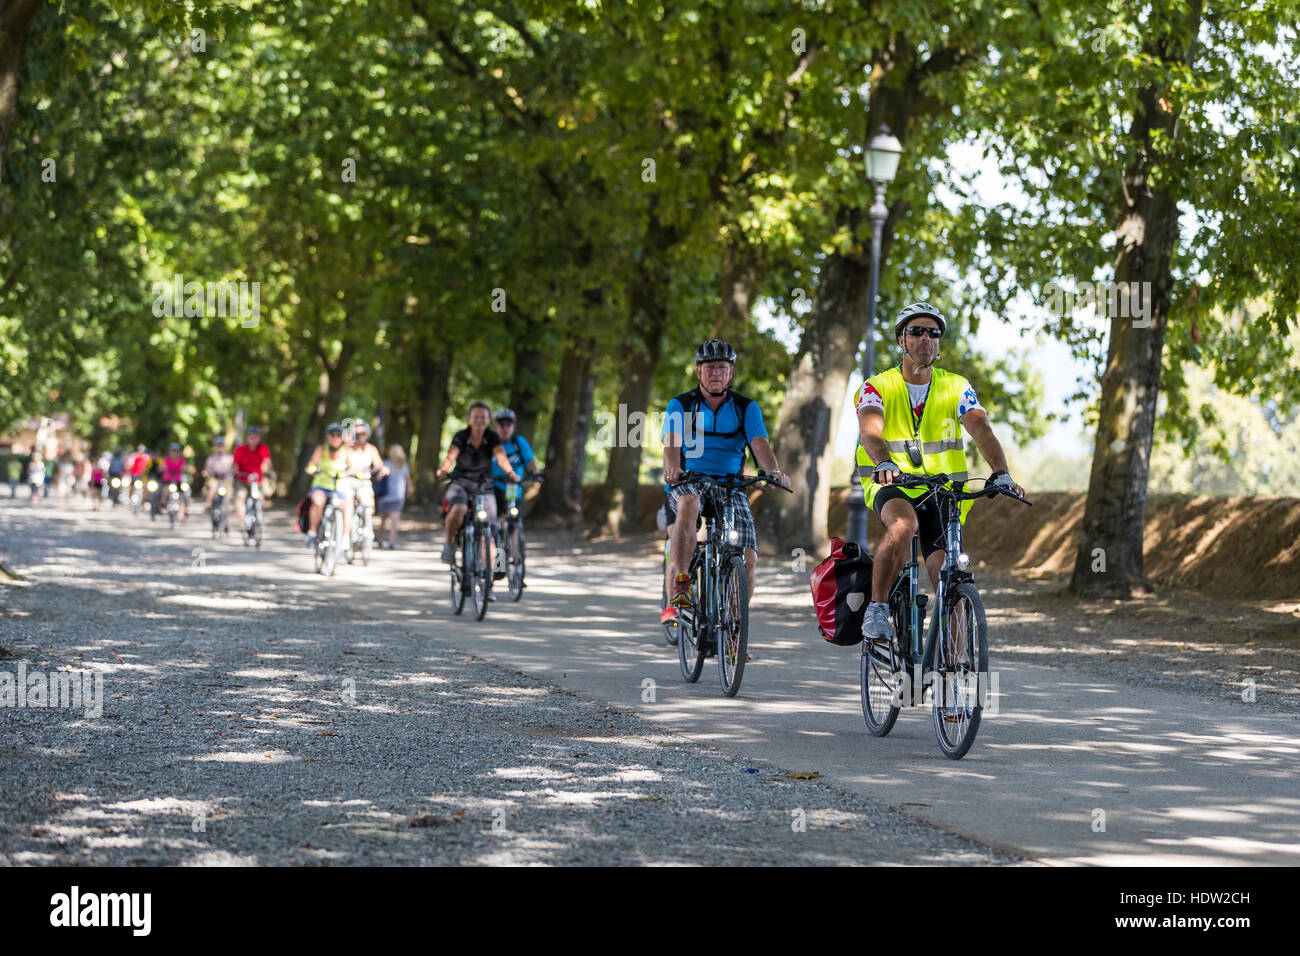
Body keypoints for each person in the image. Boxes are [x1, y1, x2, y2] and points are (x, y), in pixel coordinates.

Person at [855, 302, 1026, 643]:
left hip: (943, 490)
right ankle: (877, 606)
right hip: (895, 484)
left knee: (950, 571)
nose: (925, 339)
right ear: (901, 341)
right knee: (903, 526)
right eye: (916, 332)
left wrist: (1001, 472)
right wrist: (884, 463)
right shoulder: (877, 386)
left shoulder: (957, 387)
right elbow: (870, 429)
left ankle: (954, 662)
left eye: (933, 333)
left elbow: (981, 429)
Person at [660, 339, 791, 625]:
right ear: (698, 372)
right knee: (689, 502)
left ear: (730, 372)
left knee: (748, 557)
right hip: (689, 479)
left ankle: (734, 625)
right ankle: (682, 584)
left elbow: (760, 444)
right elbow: (671, 443)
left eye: (722, 367)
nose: (716, 373)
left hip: (730, 485)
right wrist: (672, 468)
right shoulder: (680, 405)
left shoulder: (746, 408)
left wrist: (773, 471)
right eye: (709, 367)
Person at [435, 402, 523, 573]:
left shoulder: (492, 437)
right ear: (469, 418)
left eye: (483, 417)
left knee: (490, 531)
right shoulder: (461, 436)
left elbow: (501, 457)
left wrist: (511, 472)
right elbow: (451, 455)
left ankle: (490, 577)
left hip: (484, 486)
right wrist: (444, 470)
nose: (479, 421)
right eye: (475, 417)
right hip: (460, 483)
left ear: (489, 420)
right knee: (459, 508)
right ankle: (448, 544)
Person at [341, 419, 388, 546]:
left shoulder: (371, 449)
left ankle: (367, 526)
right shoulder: (348, 448)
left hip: (364, 481)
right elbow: (339, 461)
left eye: (362, 434)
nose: (360, 437)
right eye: (357, 434)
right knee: (348, 503)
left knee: (369, 503)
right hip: (349, 481)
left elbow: (379, 464)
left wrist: (383, 470)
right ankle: (345, 536)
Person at [490, 408, 542, 520]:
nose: (505, 428)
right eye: (502, 425)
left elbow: (530, 461)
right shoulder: (491, 443)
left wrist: (536, 474)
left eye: (508, 425)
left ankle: (515, 535)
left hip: (514, 488)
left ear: (513, 427)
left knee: (515, 520)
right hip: (494, 488)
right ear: (496, 427)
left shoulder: (518, 442)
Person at [303, 423, 351, 545]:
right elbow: (312, 464)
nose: (335, 438)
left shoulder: (346, 451)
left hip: (338, 486)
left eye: (338, 435)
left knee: (347, 506)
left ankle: (345, 538)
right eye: (332, 435)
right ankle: (312, 532)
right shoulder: (321, 449)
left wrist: (350, 472)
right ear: (328, 437)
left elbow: (353, 466)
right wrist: (312, 469)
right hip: (321, 485)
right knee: (318, 502)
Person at [232, 426, 273, 531]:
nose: (252, 439)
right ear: (247, 437)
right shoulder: (240, 449)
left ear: (258, 438)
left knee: (260, 498)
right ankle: (243, 524)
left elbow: (267, 462)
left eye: (255, 437)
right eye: (250, 436)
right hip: (242, 479)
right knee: (240, 497)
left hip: (256, 480)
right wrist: (235, 472)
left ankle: (259, 517)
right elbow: (235, 465)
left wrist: (269, 471)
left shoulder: (263, 448)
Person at [375, 444, 413, 549]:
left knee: (384, 520)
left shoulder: (387, 464)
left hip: (388, 496)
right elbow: (408, 480)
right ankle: (390, 541)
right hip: (397, 496)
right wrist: (409, 490)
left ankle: (381, 539)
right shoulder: (402, 466)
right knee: (393, 520)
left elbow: (379, 478)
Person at [201, 437, 234, 511]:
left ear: (224, 446)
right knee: (213, 487)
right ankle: (208, 503)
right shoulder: (211, 458)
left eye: (221, 445)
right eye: (218, 446)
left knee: (227, 496)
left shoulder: (229, 458)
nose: (219, 447)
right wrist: (206, 472)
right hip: (215, 478)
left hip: (226, 479)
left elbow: (234, 468)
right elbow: (207, 468)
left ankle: (225, 517)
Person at [160, 443, 190, 521]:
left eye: (176, 451)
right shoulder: (166, 459)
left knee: (181, 497)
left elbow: (184, 467)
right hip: (168, 480)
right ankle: (163, 503)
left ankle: (181, 514)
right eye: (173, 451)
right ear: (170, 452)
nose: (174, 453)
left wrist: (187, 469)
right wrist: (162, 468)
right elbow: (163, 467)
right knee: (165, 491)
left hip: (178, 480)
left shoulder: (181, 460)